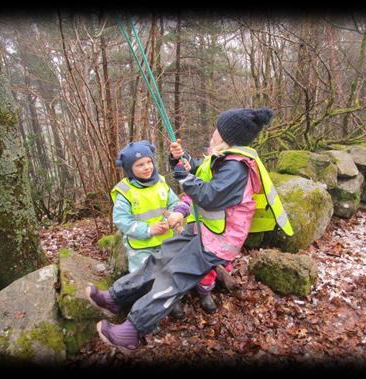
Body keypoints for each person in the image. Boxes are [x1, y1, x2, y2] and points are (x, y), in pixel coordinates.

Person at [86, 108, 294, 353]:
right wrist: (180, 159)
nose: (213, 132)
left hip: (216, 241)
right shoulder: (223, 158)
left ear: (227, 136)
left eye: (217, 129)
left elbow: (210, 196)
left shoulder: (237, 168)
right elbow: (197, 170)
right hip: (201, 231)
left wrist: (185, 177)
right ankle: (115, 298)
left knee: (173, 277)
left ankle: (132, 331)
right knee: (158, 259)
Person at [96, 140, 190, 319]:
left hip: (165, 241)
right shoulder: (125, 191)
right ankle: (145, 309)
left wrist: (173, 217)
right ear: (130, 169)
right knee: (144, 279)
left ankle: (171, 302)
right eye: (140, 165)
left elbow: (174, 202)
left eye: (149, 162)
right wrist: (148, 229)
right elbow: (121, 220)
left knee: (169, 272)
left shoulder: (161, 182)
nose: (147, 168)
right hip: (141, 246)